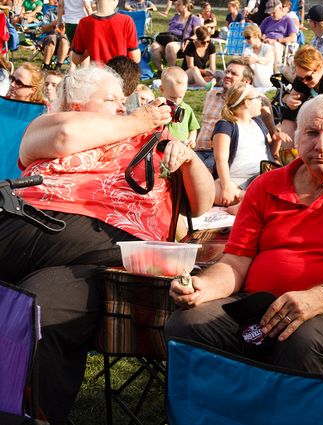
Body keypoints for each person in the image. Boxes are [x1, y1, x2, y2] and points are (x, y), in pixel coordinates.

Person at [0, 64, 214, 425]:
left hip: (105, 250)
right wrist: (140, 119)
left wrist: (189, 158)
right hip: (25, 225)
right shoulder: (49, 125)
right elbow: (66, 135)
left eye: (124, 100)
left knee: (41, 312)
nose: (124, 106)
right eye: (112, 99)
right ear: (78, 105)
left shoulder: (153, 143)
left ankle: (30, 415)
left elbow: (201, 203)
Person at [165, 94, 323, 376]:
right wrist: (204, 287)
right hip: (255, 303)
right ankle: (216, 411)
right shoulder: (266, 185)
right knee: (186, 322)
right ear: (298, 137)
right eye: (312, 133)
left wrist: (318, 297)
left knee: (300, 340)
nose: (321, 145)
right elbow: (235, 262)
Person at [211, 82, 275, 211]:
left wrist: (277, 140)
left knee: (269, 183)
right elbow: (220, 159)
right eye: (258, 98)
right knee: (212, 191)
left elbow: (270, 152)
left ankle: (246, 201)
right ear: (247, 103)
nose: (261, 101)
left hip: (259, 176)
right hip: (234, 180)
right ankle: (250, 199)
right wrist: (226, 186)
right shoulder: (226, 125)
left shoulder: (258, 122)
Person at [70, 0, 140, 66]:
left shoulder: (84, 23)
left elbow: (75, 59)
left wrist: (90, 48)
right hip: (120, 74)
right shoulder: (127, 21)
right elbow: (135, 58)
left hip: (97, 74)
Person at [150, 0, 203, 73]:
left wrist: (189, 40)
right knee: (154, 46)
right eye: (176, 4)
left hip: (183, 44)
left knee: (170, 46)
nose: (176, 6)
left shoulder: (194, 19)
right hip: (170, 40)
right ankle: (161, 71)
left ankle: (172, 72)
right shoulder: (175, 17)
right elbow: (169, 32)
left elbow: (197, 34)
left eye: (178, 5)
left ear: (185, 6)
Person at [161, 66, 200, 149]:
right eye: (172, 97)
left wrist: (192, 139)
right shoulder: (159, 108)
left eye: (180, 97)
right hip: (163, 149)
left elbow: (193, 128)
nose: (176, 101)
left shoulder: (187, 109)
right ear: (162, 89)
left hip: (183, 148)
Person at [260, 0, 298, 68]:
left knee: (275, 45)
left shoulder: (288, 20)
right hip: (265, 43)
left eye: (273, 12)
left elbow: (293, 37)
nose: (271, 15)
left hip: (280, 45)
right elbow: (258, 32)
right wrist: (261, 37)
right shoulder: (267, 19)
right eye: (270, 13)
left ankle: (276, 71)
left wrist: (276, 40)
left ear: (280, 8)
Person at [56, 0, 92, 69]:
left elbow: (60, 5)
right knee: (84, 49)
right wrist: (93, 19)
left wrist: (59, 20)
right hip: (82, 22)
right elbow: (87, 6)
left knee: (73, 48)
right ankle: (84, 72)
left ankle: (71, 70)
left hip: (69, 22)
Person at [242, 24, 275, 88]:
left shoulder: (268, 48)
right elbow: (243, 60)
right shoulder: (247, 49)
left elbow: (266, 60)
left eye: (248, 37)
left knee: (251, 57)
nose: (246, 40)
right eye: (245, 38)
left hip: (265, 81)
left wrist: (255, 59)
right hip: (251, 79)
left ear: (256, 36)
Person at [39, 5, 69, 71]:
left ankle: (58, 67)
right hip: (49, 38)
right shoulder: (50, 12)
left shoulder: (71, 14)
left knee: (64, 40)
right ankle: (46, 66)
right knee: (52, 38)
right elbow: (43, 28)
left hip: (64, 40)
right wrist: (52, 24)